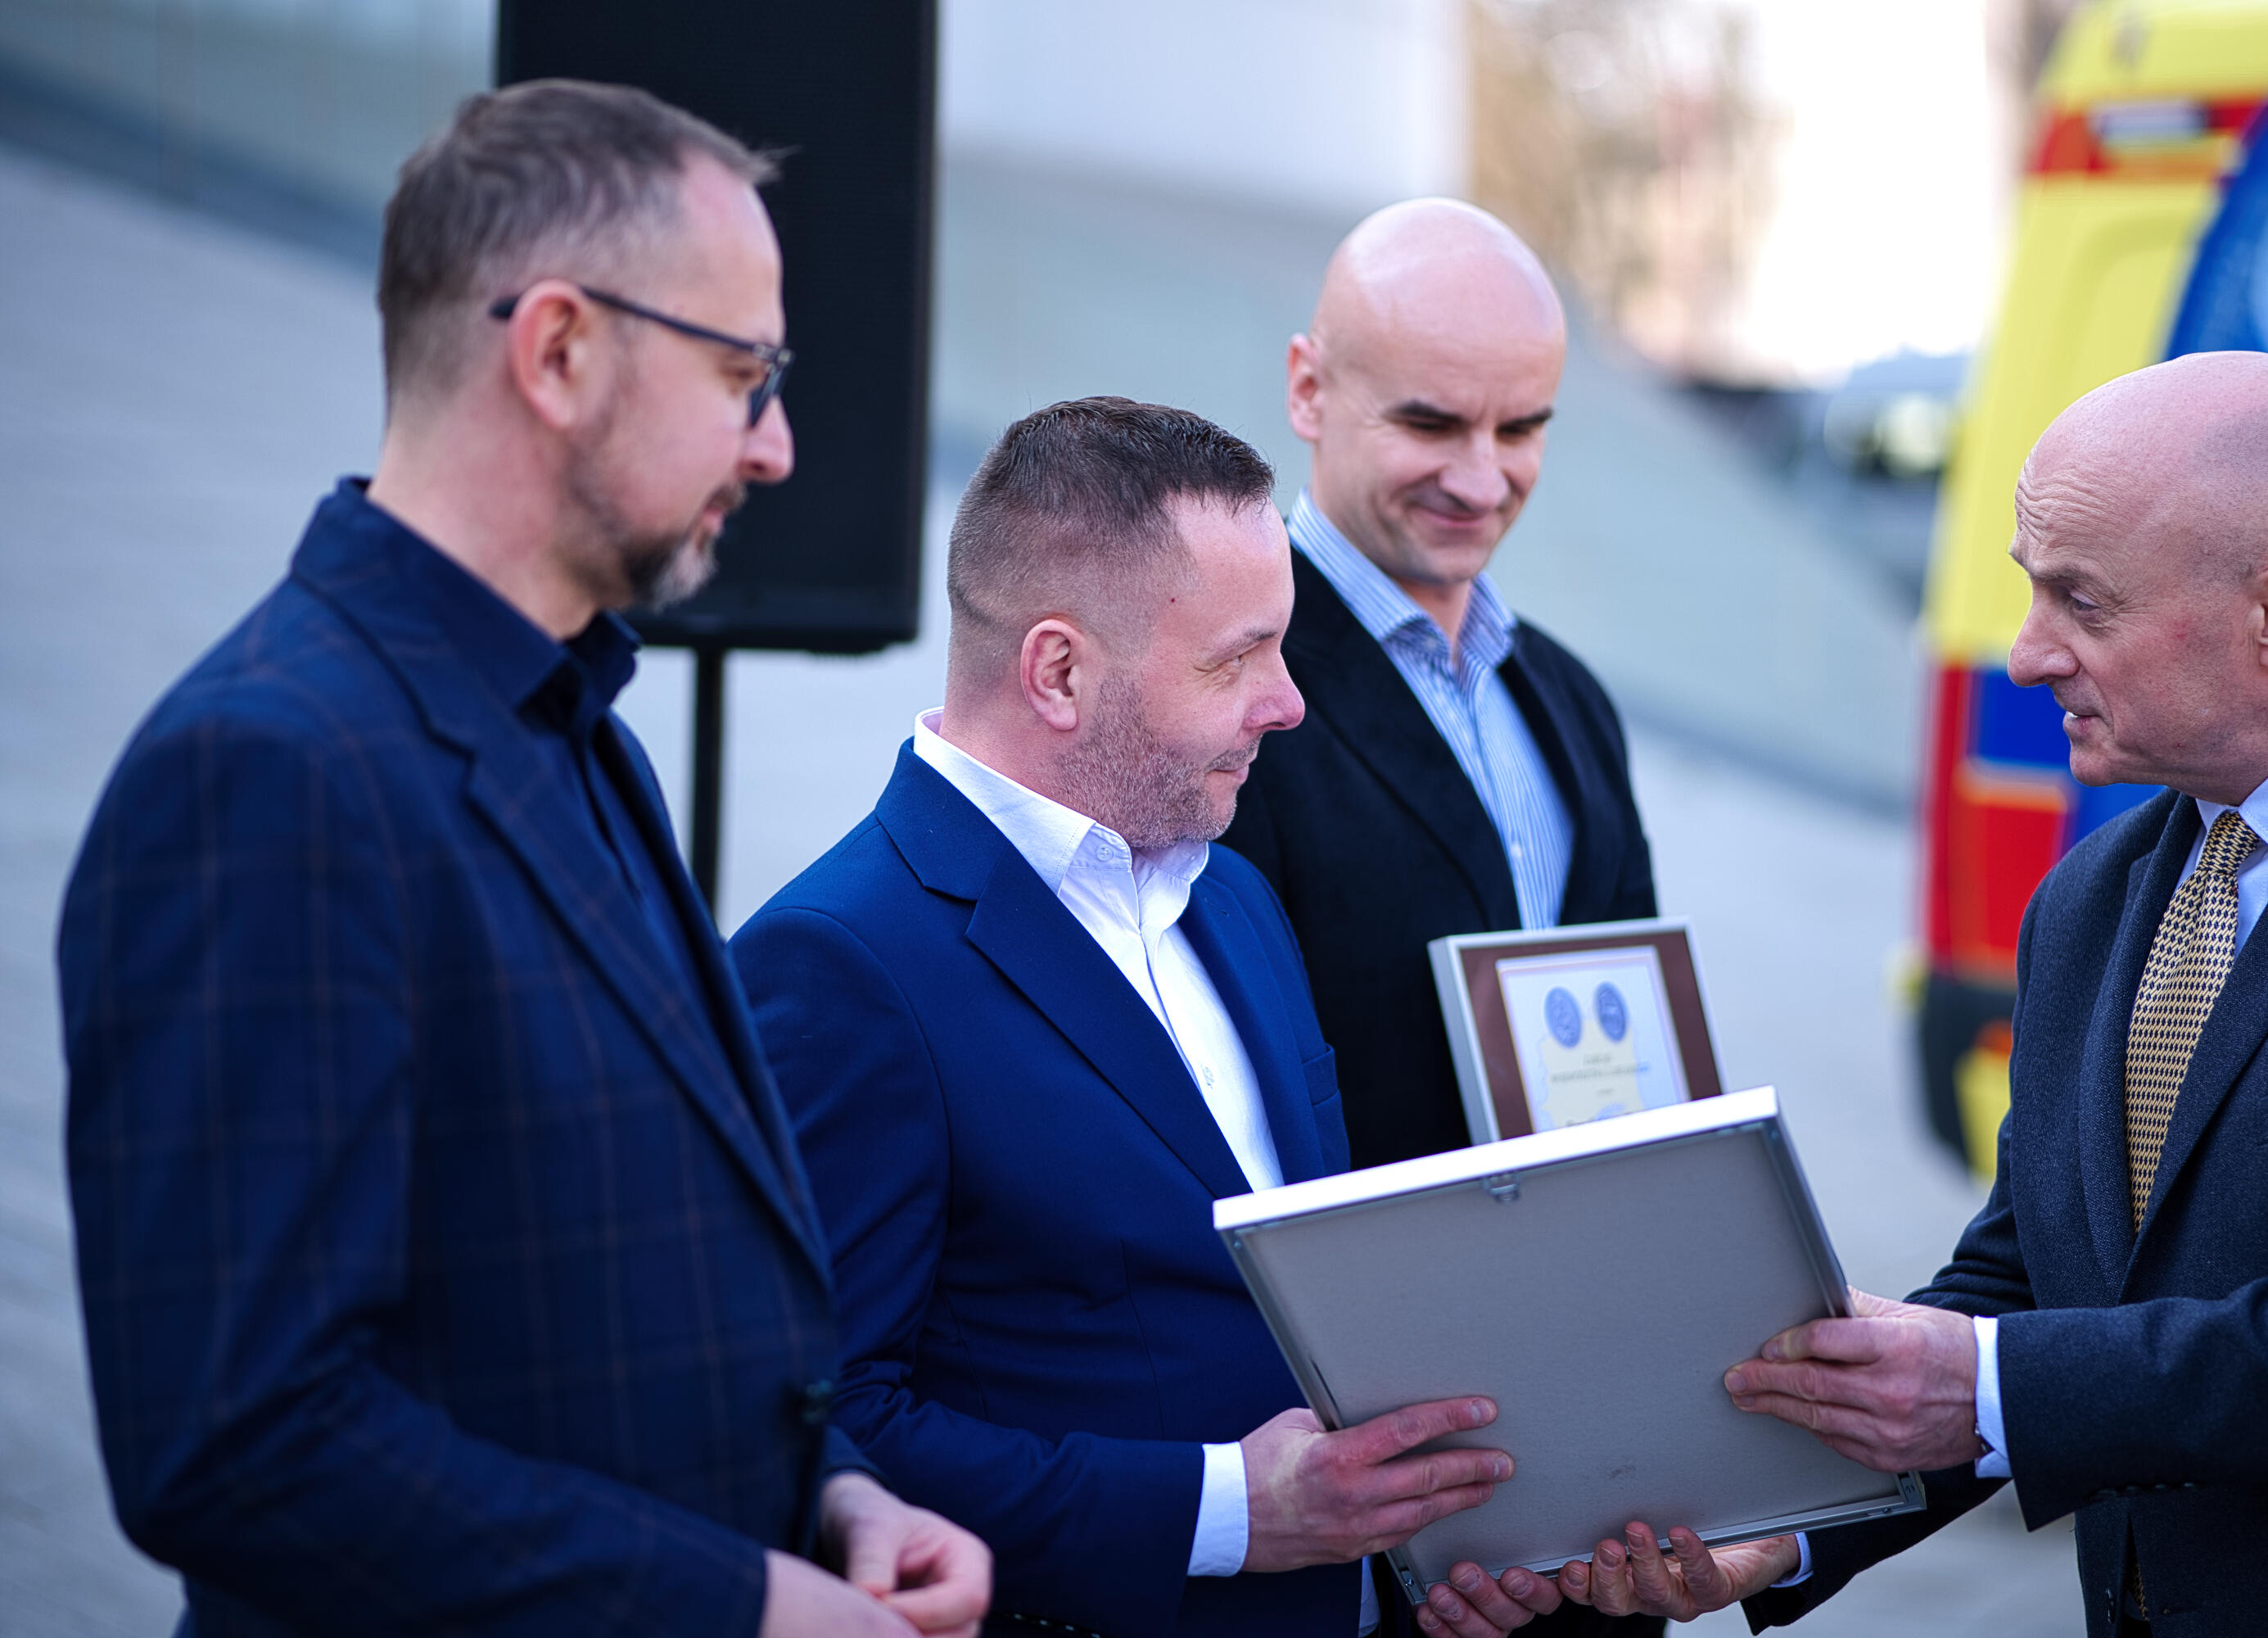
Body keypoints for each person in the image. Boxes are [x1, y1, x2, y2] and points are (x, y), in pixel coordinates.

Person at [57, 80, 989, 1638]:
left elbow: (637, 1295)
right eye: (744, 374)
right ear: (557, 351)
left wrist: (834, 1499)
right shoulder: (269, 771)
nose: (775, 446)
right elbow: (237, 1445)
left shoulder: (574, 725)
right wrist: (737, 1607)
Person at [1564, 352, 2268, 1635]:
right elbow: (2035, 1280)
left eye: (2082, 601)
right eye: (2029, 588)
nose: (2028, 655)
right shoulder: (2093, 895)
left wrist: (1987, 1385)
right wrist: (1789, 1520)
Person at [730, 397, 1565, 1638]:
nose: (1289, 703)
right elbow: (813, 1429)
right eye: (1238, 660)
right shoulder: (839, 961)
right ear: (1059, 672)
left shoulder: (1233, 899)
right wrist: (1229, 1511)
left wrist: (1424, 1543)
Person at [1218, 197, 1658, 1178]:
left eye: (1521, 428)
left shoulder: (1574, 703)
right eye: (1432, 423)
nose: (1481, 480)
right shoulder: (1217, 690)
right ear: (1308, 390)